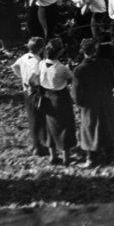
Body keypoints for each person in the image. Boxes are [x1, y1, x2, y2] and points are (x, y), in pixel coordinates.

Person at [72, 38, 114, 167]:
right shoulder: (107, 64)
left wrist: (79, 103)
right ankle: (110, 155)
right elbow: (113, 82)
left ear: (83, 51)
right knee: (107, 125)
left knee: (90, 127)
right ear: (96, 50)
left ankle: (91, 158)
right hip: (106, 99)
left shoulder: (79, 70)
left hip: (89, 104)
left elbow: (76, 93)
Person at [35, 38, 76, 166]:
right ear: (59, 53)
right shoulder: (61, 68)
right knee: (65, 126)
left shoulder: (41, 63)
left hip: (46, 96)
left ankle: (53, 156)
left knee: (50, 125)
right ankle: (66, 158)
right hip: (60, 97)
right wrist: (71, 68)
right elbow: (71, 79)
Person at [11, 37, 48, 157]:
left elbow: (14, 67)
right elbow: (34, 75)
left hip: (26, 92)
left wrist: (22, 77)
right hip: (35, 91)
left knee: (32, 118)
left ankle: (36, 144)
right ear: (41, 49)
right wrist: (33, 84)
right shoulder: (37, 62)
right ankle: (40, 146)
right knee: (39, 119)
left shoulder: (24, 57)